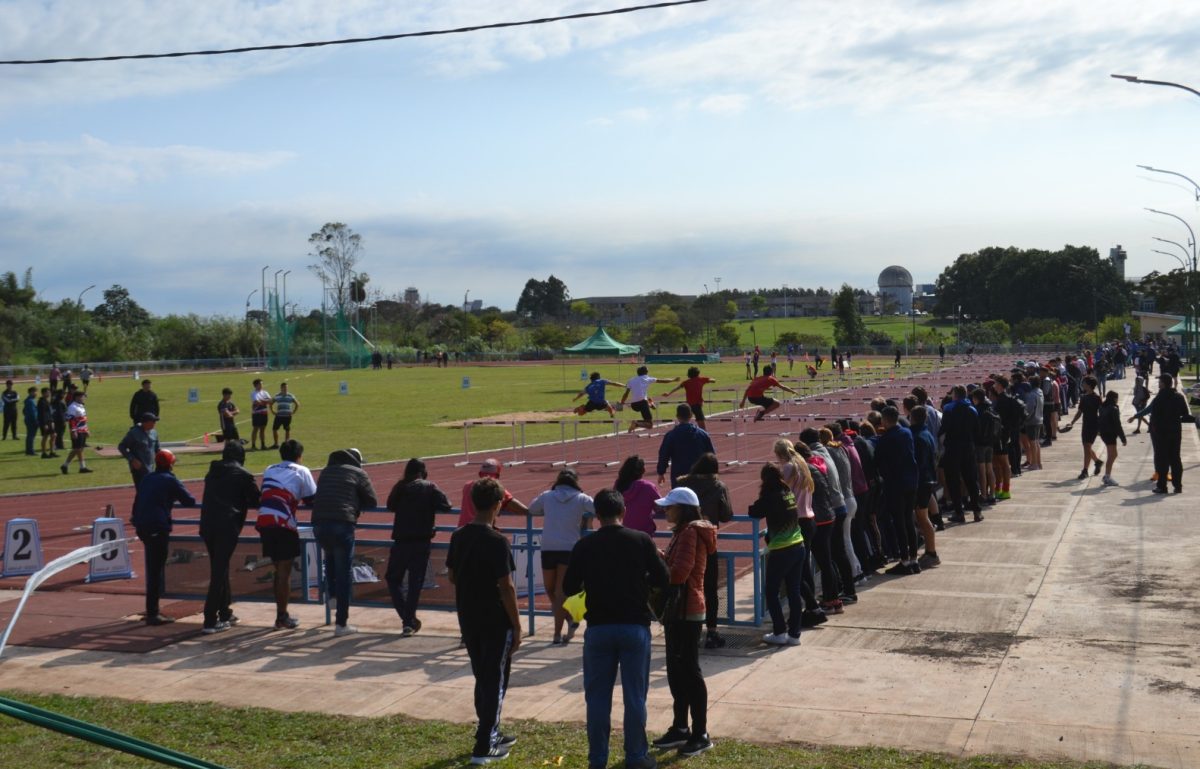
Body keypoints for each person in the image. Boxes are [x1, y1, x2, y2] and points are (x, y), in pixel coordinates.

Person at [563, 488, 669, 769]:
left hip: (598, 627)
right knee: (635, 696)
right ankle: (636, 756)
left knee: (597, 698)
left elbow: (569, 588)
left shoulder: (584, 546)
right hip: (634, 625)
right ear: (623, 512)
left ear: (596, 515)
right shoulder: (641, 540)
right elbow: (663, 578)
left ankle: (597, 759)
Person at [446, 477, 523, 765]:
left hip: (468, 616)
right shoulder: (497, 541)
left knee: (484, 676)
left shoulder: (458, 536)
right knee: (496, 679)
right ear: (497, 505)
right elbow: (506, 587)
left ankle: (491, 730)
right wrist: (516, 625)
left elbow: (452, 576)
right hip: (495, 619)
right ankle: (484, 743)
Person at [652, 486, 716, 758]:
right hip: (680, 611)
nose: (666, 510)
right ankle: (681, 727)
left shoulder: (689, 533)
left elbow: (679, 574)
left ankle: (700, 733)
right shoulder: (684, 532)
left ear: (683, 508)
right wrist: (659, 555)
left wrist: (659, 565)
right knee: (677, 671)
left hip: (686, 611)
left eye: (670, 506)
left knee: (688, 670)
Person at [311, 448, 378, 636]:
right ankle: (341, 623)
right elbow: (372, 500)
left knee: (330, 559)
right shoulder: (358, 472)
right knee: (344, 572)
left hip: (318, 524)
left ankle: (331, 595)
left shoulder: (326, 471)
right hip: (342, 522)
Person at [527, 468, 594, 645]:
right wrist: (586, 520)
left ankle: (557, 634)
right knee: (554, 591)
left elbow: (532, 509)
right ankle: (570, 619)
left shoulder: (547, 496)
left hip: (549, 546)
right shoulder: (581, 498)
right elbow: (596, 507)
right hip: (568, 547)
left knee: (555, 591)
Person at [256, 439, 318, 630]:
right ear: (299, 456)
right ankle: (281, 616)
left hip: (264, 522)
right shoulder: (302, 470)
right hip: (283, 524)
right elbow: (312, 499)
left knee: (278, 570)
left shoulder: (269, 468)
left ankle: (281, 614)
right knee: (284, 572)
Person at [199, 441, 260, 633]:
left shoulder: (212, 472)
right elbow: (256, 500)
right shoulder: (242, 475)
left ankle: (224, 612)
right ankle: (210, 619)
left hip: (208, 525)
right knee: (218, 572)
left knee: (220, 567)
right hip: (227, 526)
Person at [385, 458, 451, 636]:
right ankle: (408, 619)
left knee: (393, 579)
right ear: (423, 472)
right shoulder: (430, 487)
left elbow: (390, 505)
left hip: (401, 540)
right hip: (421, 541)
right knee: (415, 582)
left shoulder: (400, 486)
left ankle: (407, 619)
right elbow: (446, 505)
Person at [130, 449, 196, 625]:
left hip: (143, 526)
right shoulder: (170, 480)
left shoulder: (147, 478)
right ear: (171, 464)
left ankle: (152, 609)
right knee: (155, 570)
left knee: (153, 568)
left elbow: (137, 502)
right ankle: (153, 613)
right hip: (157, 527)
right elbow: (190, 501)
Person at [678, 452, 735, 647]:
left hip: (684, 540)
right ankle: (712, 632)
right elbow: (727, 515)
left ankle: (684, 628)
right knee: (710, 588)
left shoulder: (682, 485)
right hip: (707, 541)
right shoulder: (718, 486)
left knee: (684, 584)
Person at [748, 461, 805, 646]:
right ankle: (794, 634)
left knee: (771, 591)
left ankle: (780, 631)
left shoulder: (770, 496)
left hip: (782, 549)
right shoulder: (787, 492)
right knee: (794, 591)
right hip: (798, 544)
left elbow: (754, 511)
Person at [1130, 374, 1196, 494]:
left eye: (1160, 381)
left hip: (1161, 434)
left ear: (1164, 383)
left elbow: (1153, 414)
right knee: (1175, 459)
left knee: (1162, 460)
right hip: (1175, 432)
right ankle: (1178, 486)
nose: (1159, 383)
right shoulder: (1179, 396)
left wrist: (1150, 425)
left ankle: (1162, 486)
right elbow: (1185, 414)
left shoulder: (1159, 398)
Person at [874, 406, 920, 574]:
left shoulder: (886, 438)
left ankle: (905, 561)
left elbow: (877, 460)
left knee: (899, 523)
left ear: (885, 420)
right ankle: (914, 559)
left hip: (896, 484)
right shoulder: (907, 432)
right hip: (911, 481)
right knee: (908, 520)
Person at [457, 458, 529, 528]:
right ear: (498, 475)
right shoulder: (495, 488)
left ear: (480, 473)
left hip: (461, 531)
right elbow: (522, 509)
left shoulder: (467, 486)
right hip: (482, 532)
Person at [656, 404, 716, 488]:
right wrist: (712, 474)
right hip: (699, 478)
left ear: (677, 416)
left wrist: (661, 472)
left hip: (679, 478)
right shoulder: (702, 434)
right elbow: (712, 456)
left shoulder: (671, 435)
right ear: (691, 415)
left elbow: (664, 455)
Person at [1065, 375, 1103, 481]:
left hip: (1094, 425)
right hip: (1085, 425)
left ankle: (1085, 470)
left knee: (1087, 447)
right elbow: (1080, 411)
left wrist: (1101, 427)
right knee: (1087, 447)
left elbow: (1102, 412)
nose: (1082, 385)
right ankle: (1097, 461)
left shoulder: (1097, 398)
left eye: (1084, 383)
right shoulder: (1084, 397)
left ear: (1089, 385)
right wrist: (1072, 422)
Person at [620, 366, 678, 433]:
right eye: (647, 371)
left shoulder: (631, 380)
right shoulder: (647, 378)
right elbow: (662, 381)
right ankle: (636, 423)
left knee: (647, 399)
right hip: (642, 403)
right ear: (645, 373)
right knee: (649, 425)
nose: (648, 373)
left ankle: (650, 405)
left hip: (634, 405)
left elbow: (626, 394)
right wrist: (673, 380)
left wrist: (622, 402)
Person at [615, 455, 660, 536]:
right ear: (642, 470)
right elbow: (660, 508)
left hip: (625, 532)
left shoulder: (618, 485)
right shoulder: (648, 487)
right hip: (644, 533)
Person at [117, 412, 160, 487]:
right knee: (142, 492)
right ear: (145, 422)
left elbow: (157, 449)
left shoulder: (154, 433)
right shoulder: (134, 433)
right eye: (152, 421)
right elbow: (121, 446)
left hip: (151, 468)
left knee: (150, 492)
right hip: (139, 469)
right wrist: (132, 459)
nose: (154, 423)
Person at [1097, 390, 1127, 487]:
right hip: (1110, 434)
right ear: (1114, 398)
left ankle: (1107, 476)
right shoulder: (1114, 408)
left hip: (1104, 433)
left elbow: (1099, 419)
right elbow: (1117, 424)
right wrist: (1123, 438)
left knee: (1113, 454)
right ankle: (1107, 476)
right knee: (1112, 455)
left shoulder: (1102, 407)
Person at [60, 391, 92, 474]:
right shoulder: (72, 407)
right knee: (78, 449)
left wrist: (86, 430)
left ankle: (65, 465)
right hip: (77, 431)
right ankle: (82, 467)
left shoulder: (81, 406)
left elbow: (83, 420)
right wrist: (73, 431)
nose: (83, 398)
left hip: (82, 430)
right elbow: (71, 420)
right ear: (77, 397)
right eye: (82, 397)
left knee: (78, 449)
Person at [271, 382, 299, 446]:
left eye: (286, 387)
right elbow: (271, 403)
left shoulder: (290, 396)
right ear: (281, 388)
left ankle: (287, 443)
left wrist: (293, 412)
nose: (285, 389)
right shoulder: (277, 396)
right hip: (279, 415)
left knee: (287, 429)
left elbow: (297, 404)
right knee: (275, 429)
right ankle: (276, 444)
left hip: (287, 416)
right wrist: (272, 411)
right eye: (284, 387)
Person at [249, 378, 272, 450]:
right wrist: (266, 401)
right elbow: (257, 402)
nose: (262, 385)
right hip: (256, 414)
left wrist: (263, 401)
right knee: (255, 429)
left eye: (262, 384)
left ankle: (263, 445)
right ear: (256, 385)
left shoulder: (265, 392)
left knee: (263, 429)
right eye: (260, 384)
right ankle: (253, 445)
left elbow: (271, 401)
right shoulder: (253, 393)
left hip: (264, 413)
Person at [36, 387, 53, 459]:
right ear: (43, 393)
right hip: (45, 422)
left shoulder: (46, 401)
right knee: (45, 437)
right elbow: (42, 414)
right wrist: (44, 424)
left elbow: (49, 412)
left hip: (49, 421)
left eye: (49, 392)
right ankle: (44, 453)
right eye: (47, 392)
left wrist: (52, 421)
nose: (49, 393)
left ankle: (52, 452)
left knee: (53, 435)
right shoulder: (41, 402)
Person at [22, 386, 37, 456]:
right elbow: (33, 413)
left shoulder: (29, 400)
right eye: (34, 392)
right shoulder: (30, 401)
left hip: (28, 420)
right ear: (31, 392)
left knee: (30, 436)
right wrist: (36, 421)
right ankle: (30, 450)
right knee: (31, 436)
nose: (36, 393)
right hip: (31, 421)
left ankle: (29, 450)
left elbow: (24, 411)